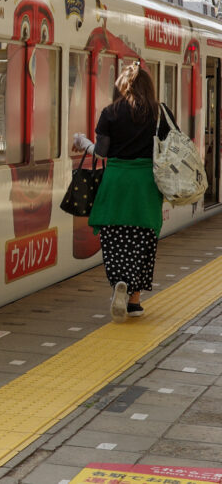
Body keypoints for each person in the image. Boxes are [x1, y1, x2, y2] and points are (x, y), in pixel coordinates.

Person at [72, 63, 169, 323]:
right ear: (148, 87)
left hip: (115, 183)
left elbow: (102, 152)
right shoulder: (158, 114)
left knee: (115, 240)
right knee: (142, 241)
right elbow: (167, 150)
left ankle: (119, 284)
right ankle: (134, 301)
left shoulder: (110, 113)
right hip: (145, 186)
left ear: (121, 87)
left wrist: (83, 143)